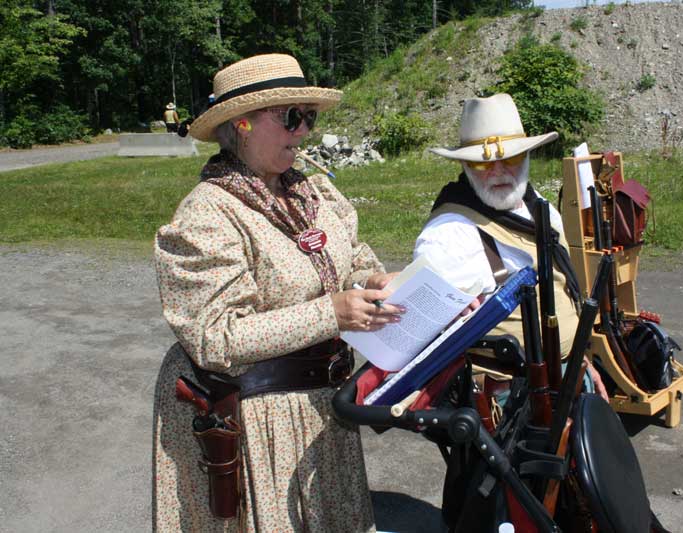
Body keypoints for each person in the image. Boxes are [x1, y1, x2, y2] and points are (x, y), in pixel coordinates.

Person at [151, 54, 402, 532]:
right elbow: (214, 337)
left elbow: (355, 257)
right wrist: (331, 313)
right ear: (241, 124)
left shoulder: (314, 193)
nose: (304, 130)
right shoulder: (208, 214)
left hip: (323, 411)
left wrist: (374, 281)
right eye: (291, 117)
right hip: (258, 420)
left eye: (310, 116)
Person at [413, 93, 607, 399]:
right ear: (464, 164)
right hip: (507, 401)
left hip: (566, 374)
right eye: (482, 163)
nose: (499, 170)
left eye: (512, 158)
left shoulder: (536, 204)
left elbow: (558, 293)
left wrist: (577, 359)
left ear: (527, 156)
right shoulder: (448, 235)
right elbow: (427, 332)